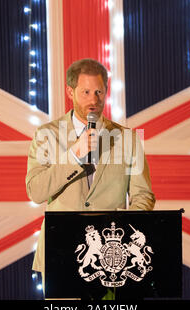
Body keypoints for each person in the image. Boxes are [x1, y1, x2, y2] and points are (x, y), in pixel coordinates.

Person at [25, 58, 155, 295]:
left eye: (99, 92)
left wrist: (125, 235)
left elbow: (143, 195)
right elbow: (36, 191)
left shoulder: (127, 139)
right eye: (85, 92)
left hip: (112, 259)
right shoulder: (46, 135)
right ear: (70, 91)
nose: (93, 100)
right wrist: (74, 153)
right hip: (59, 252)